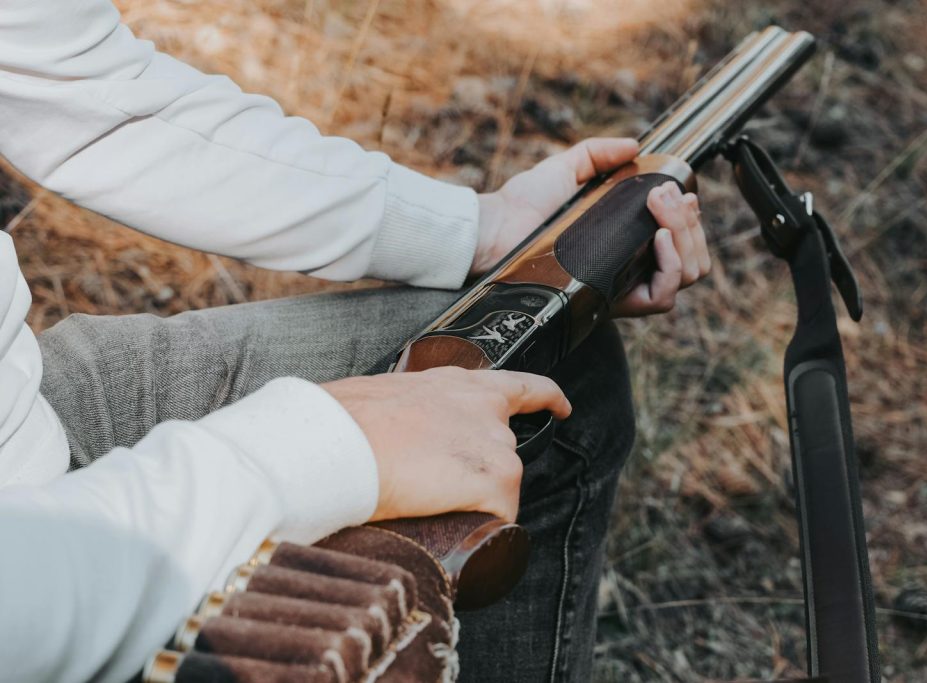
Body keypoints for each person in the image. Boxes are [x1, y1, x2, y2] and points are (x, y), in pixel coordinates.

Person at [0, 1, 710, 681]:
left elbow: (86, 94)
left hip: (28, 408)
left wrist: (478, 229)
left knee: (548, 371)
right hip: (46, 559)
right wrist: (322, 449)